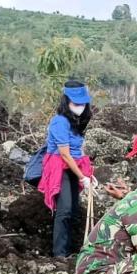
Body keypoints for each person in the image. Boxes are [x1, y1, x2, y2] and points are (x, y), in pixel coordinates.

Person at [38, 81, 95, 257]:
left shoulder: (76, 122)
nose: (80, 107)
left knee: (74, 210)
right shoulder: (59, 122)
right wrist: (82, 178)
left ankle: (69, 249)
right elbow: (64, 154)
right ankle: (59, 253)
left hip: (73, 167)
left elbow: (79, 152)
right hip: (59, 167)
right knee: (64, 210)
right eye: (76, 103)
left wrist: (88, 175)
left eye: (82, 104)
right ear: (67, 102)